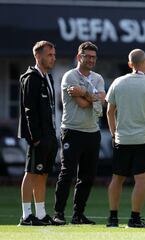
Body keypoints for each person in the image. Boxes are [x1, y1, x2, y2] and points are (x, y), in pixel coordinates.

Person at [105, 49, 145, 228]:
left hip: (121, 139)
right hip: (143, 139)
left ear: (130, 64)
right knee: (140, 180)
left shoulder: (118, 82)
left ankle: (113, 218)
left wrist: (113, 133)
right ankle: (134, 218)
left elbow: (109, 111)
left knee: (117, 179)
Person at [53, 41, 105, 225]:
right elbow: (84, 104)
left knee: (87, 176)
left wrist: (83, 91)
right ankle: (58, 213)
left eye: (93, 57)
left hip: (93, 132)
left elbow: (102, 99)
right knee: (67, 173)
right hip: (72, 130)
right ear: (79, 57)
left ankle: (78, 215)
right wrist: (93, 97)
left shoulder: (98, 78)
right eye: (87, 56)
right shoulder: (69, 76)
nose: (91, 60)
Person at [17, 41, 58, 226]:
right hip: (38, 137)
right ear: (38, 56)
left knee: (42, 174)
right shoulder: (30, 78)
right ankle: (26, 216)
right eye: (49, 55)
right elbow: (29, 110)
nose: (53, 58)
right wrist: (34, 137)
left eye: (54, 55)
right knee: (31, 172)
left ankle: (40, 214)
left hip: (50, 134)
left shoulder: (48, 78)